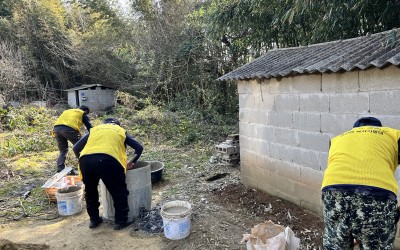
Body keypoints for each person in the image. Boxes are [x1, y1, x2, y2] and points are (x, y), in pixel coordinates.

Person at [321, 117, 400, 249]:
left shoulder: (337, 139)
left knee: (336, 245)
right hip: (376, 195)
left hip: (332, 192)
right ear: (379, 128)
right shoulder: (392, 135)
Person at [72, 117, 143, 230]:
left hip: (85, 160)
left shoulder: (94, 129)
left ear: (104, 124)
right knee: (118, 191)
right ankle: (120, 222)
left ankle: (94, 220)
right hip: (108, 160)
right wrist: (132, 162)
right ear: (117, 125)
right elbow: (139, 147)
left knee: (90, 191)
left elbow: (75, 148)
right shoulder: (120, 130)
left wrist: (83, 159)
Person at [53, 106, 92, 173]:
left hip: (56, 129)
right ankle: (85, 166)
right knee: (81, 148)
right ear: (85, 111)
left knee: (63, 150)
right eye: (87, 113)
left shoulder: (68, 111)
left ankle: (60, 167)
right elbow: (90, 128)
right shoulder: (82, 113)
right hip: (69, 129)